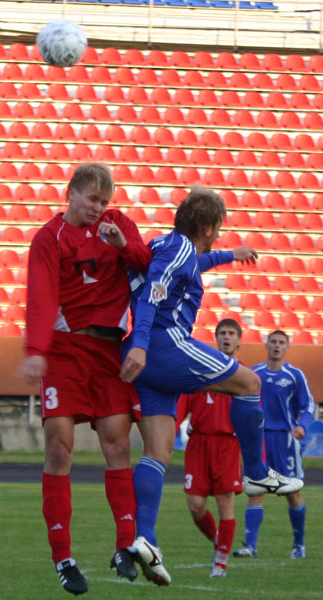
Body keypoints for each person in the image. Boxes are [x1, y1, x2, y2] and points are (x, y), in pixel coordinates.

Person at [120, 185, 304, 587]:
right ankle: (256, 472)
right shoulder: (180, 250)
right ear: (207, 227)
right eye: (218, 229)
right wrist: (141, 344)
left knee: (157, 452)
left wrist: (229, 255)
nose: (218, 235)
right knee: (250, 382)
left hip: (150, 364)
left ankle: (145, 537)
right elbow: (153, 293)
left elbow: (190, 264)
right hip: (164, 345)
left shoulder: (168, 244)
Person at [16, 162, 152, 596]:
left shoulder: (118, 225)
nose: (98, 208)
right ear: (71, 193)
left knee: (118, 444)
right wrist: (36, 352)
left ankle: (124, 546)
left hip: (108, 351)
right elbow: (41, 297)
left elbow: (146, 264)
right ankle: (63, 558)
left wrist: (123, 245)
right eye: (92, 199)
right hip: (64, 349)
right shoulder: (48, 238)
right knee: (59, 449)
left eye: (104, 201)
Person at [233, 330, 315, 561]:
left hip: (285, 440)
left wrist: (303, 426)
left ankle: (299, 545)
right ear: (266, 345)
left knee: (293, 493)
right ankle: (250, 546)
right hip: (258, 440)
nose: (277, 346)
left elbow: (308, 405)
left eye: (281, 342)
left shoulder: (294, 375)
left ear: (287, 347)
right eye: (274, 342)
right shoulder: (255, 373)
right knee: (256, 488)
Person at [177, 318, 245, 578]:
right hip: (198, 443)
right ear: (216, 339)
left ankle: (221, 564)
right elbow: (183, 405)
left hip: (227, 444)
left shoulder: (244, 374)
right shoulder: (200, 369)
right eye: (222, 333)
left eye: (231, 333)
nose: (226, 337)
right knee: (195, 505)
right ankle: (218, 540)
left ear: (239, 340)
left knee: (225, 504)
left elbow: (253, 416)